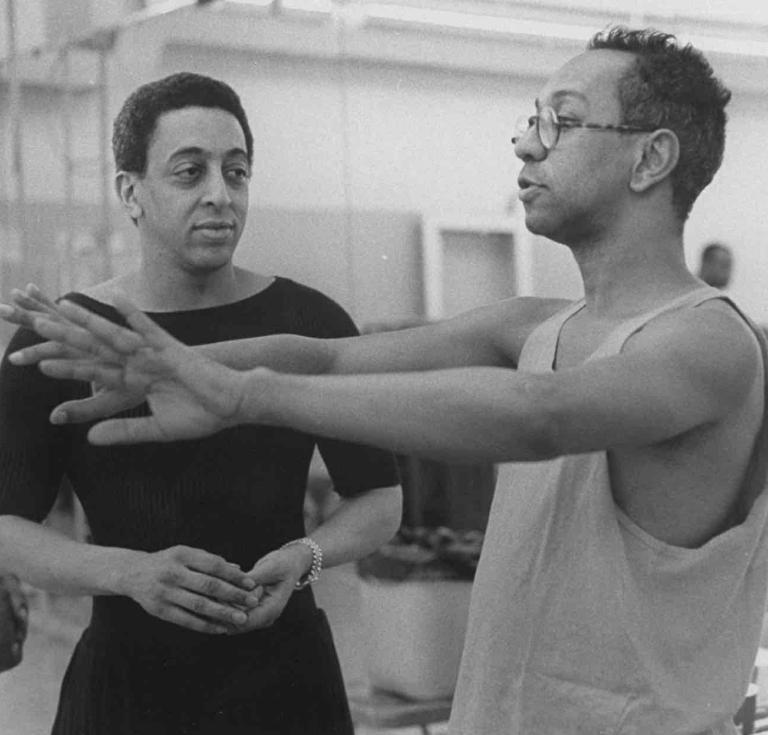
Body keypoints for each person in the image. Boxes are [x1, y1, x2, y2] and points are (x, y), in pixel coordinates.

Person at [4, 26, 766, 735]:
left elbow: (542, 415)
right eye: (530, 122)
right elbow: (328, 355)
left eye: (560, 122)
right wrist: (168, 362)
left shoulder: (709, 343)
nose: (527, 148)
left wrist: (241, 395)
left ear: (651, 157)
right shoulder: (532, 323)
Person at [0, 72, 401, 735]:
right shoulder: (68, 336)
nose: (220, 195)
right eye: (190, 173)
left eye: (236, 172)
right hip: (129, 686)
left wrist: (308, 556)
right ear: (131, 191)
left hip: (287, 678)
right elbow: (7, 524)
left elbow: (379, 498)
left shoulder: (310, 320)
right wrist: (129, 572)